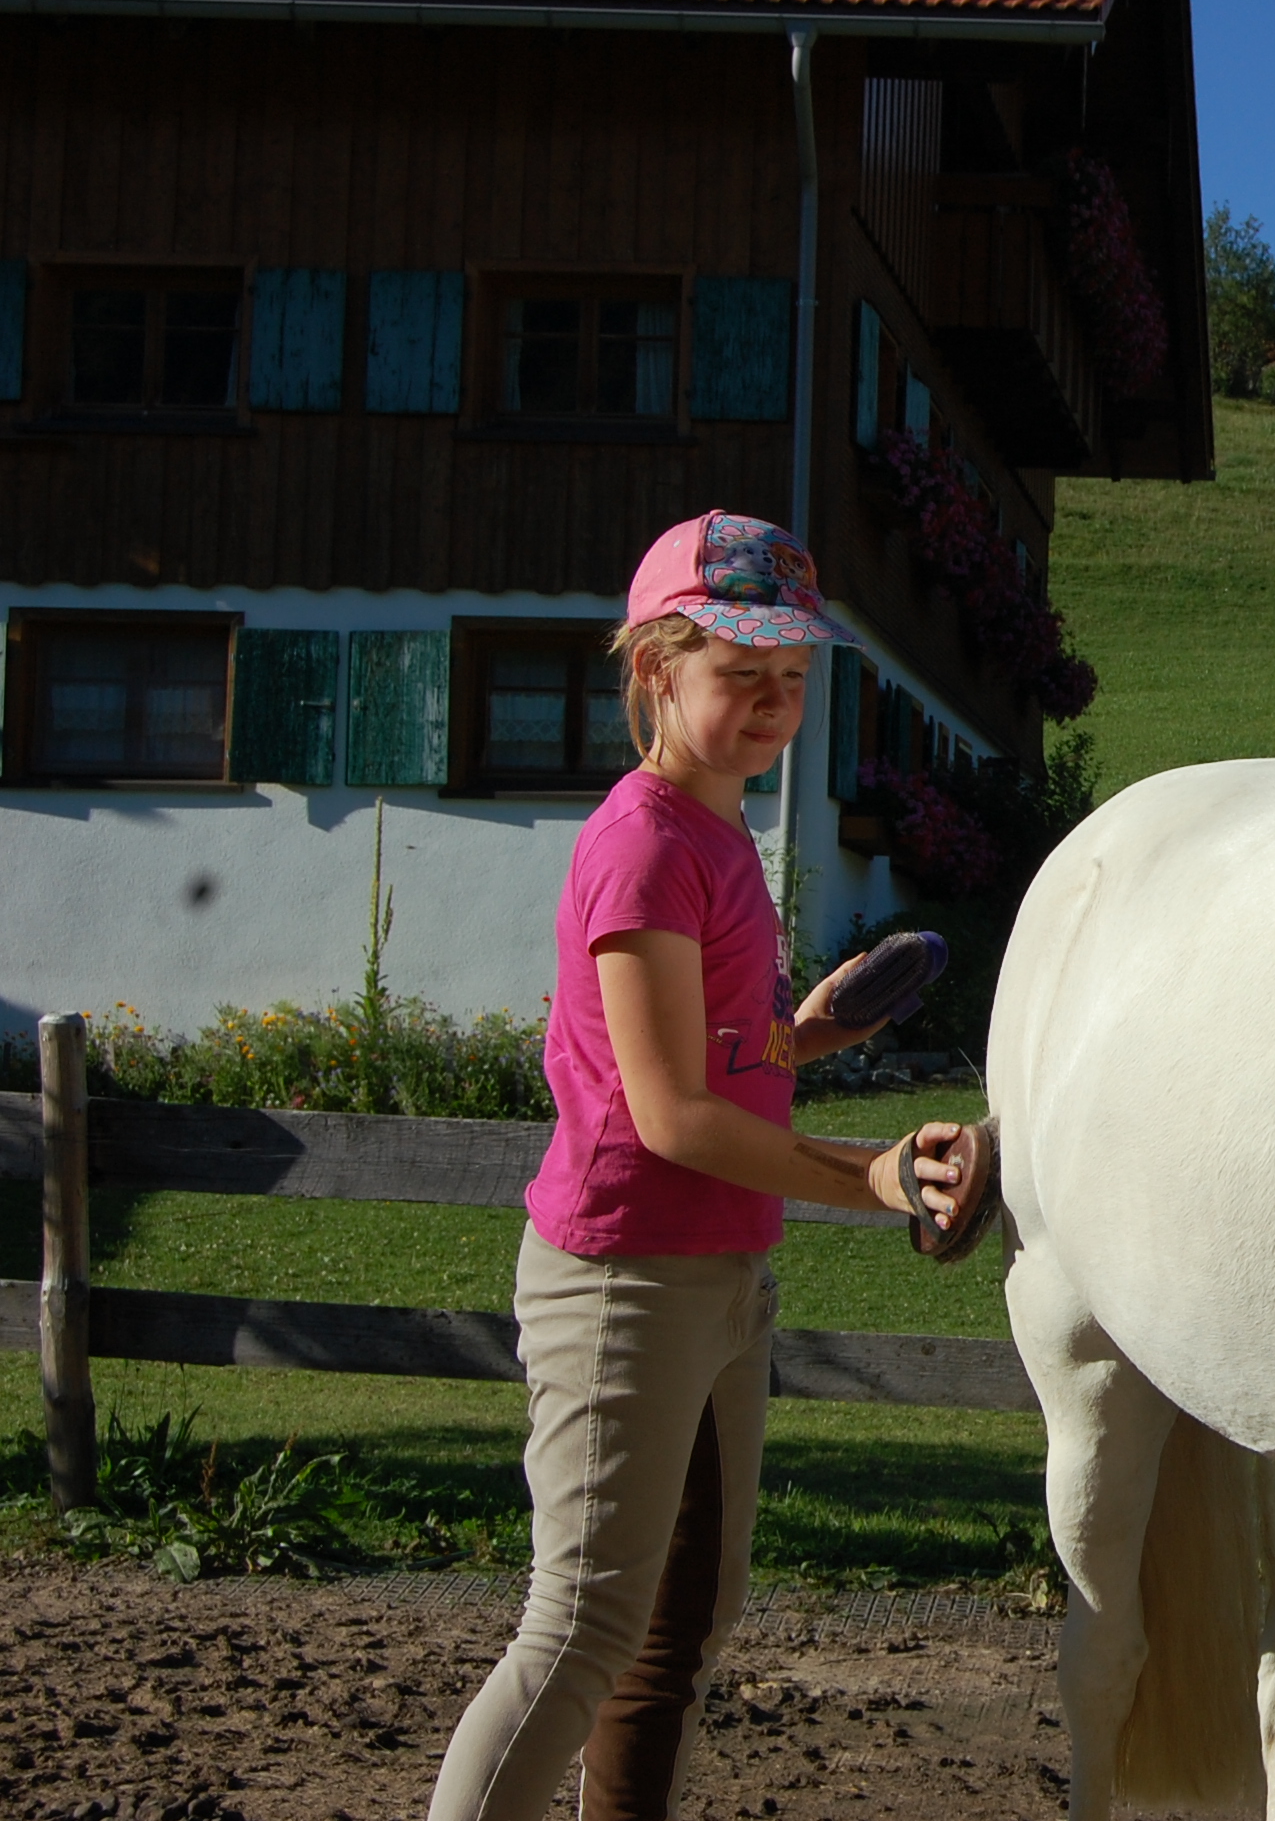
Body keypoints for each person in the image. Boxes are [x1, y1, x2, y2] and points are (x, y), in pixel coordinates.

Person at [430, 511, 1000, 1821]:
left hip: (721, 1278)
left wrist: (812, 1033)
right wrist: (863, 1173)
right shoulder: (641, 845)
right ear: (654, 672)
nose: (771, 702)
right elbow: (672, 1112)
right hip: (624, 1280)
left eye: (793, 677)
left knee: (681, 1623)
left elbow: (724, 1057)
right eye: (740, 673)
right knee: (578, 1633)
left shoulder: (723, 843)